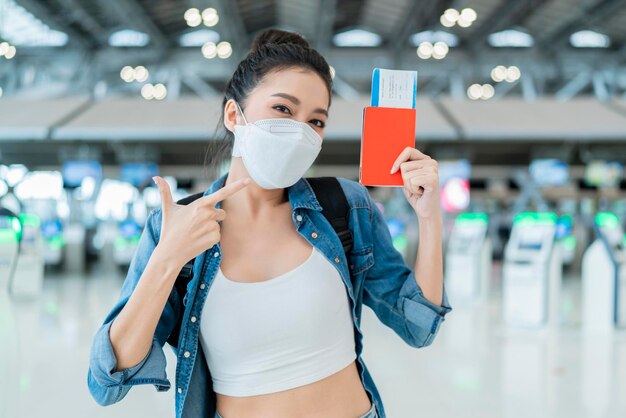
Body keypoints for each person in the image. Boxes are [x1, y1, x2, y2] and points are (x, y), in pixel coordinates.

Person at [87, 28, 451, 418]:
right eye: (283, 109)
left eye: (316, 121)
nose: (300, 131)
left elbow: (418, 326)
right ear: (233, 115)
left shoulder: (345, 206)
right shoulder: (177, 227)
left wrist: (429, 218)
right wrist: (167, 259)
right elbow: (108, 381)